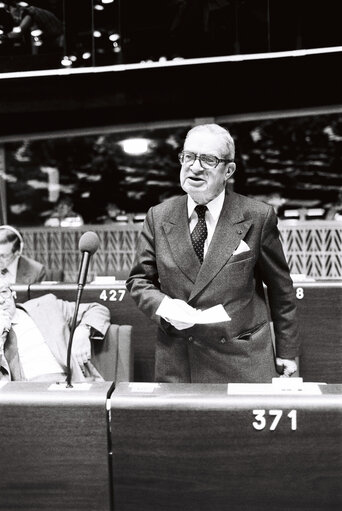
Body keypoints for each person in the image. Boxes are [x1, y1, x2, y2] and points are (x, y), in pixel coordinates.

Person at [126, 123, 300, 383]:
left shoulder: (257, 216)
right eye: (189, 156)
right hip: (179, 359)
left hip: (241, 360)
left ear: (228, 170)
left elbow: (281, 289)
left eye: (208, 159)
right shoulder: (158, 216)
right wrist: (164, 306)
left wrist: (287, 351)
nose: (195, 166)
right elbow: (139, 281)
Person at [0, 274, 110, 382]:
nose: (1, 300)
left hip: (66, 384)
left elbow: (97, 309)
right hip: (23, 393)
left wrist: (83, 331)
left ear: (13, 294)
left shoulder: (46, 306)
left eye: (4, 292)